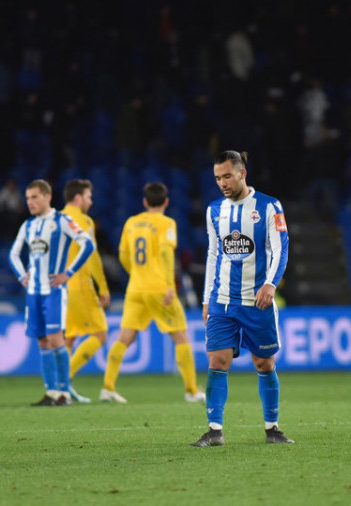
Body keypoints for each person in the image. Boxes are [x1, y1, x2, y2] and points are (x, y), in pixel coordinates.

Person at [192, 151, 292, 447]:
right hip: (223, 300)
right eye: (217, 178)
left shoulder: (269, 206)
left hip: (256, 301)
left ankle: (272, 428)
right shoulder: (213, 211)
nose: (222, 183)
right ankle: (214, 431)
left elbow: (280, 248)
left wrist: (271, 284)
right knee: (217, 360)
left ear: (242, 173)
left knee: (264, 363)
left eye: (227, 176)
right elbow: (213, 254)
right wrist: (206, 299)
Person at [101, 182, 204, 404]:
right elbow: (167, 254)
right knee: (181, 337)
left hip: (136, 288)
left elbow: (123, 255)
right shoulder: (166, 223)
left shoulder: (132, 222)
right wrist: (169, 284)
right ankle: (192, 390)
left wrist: (137, 274)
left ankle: (108, 387)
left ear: (145, 202)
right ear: (166, 201)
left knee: (124, 338)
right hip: (159, 288)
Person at [8, 179, 96, 406]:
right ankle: (51, 393)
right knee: (42, 341)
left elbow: (87, 244)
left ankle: (65, 392)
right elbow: (13, 254)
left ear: (48, 197)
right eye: (27, 198)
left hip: (54, 291)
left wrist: (69, 272)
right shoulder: (28, 225)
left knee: (56, 339)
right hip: (33, 292)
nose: (30, 202)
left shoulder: (62, 221)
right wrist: (22, 276)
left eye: (35, 197)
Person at [61, 179, 110, 403]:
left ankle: (59, 389)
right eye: (89, 197)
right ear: (78, 198)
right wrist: (103, 286)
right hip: (80, 285)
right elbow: (93, 256)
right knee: (100, 333)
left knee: (69, 338)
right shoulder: (84, 221)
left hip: (60, 288)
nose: (91, 202)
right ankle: (63, 380)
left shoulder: (56, 218)